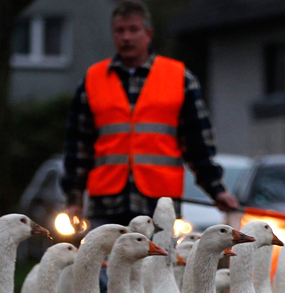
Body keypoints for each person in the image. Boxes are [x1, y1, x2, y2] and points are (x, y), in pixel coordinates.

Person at [61, 0, 238, 231]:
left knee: (157, 266)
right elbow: (78, 147)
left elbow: (198, 145)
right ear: (113, 34)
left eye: (133, 30)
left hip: (159, 206)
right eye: (120, 30)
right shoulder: (92, 80)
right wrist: (74, 200)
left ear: (148, 34)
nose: (126, 37)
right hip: (106, 205)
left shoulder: (179, 78)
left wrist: (217, 190)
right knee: (104, 267)